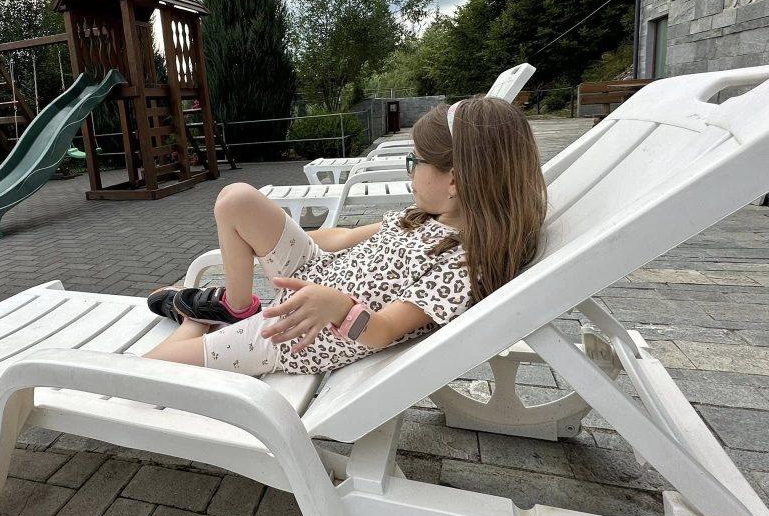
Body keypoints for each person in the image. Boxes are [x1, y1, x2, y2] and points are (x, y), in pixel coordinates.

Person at [144, 96, 547, 376]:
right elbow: (342, 238)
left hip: (304, 332)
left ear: (454, 180)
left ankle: (195, 318)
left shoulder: (461, 266)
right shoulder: (425, 216)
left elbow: (384, 330)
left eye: (415, 162)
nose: (410, 171)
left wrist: (338, 307)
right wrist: (273, 240)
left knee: (154, 365)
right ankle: (234, 307)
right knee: (237, 199)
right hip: (316, 271)